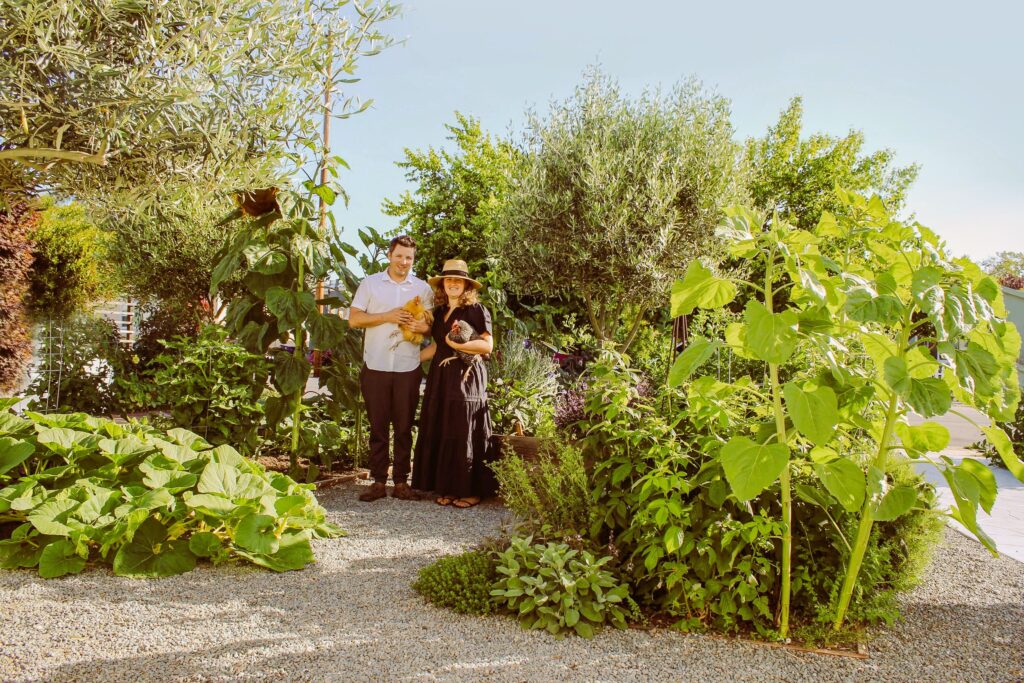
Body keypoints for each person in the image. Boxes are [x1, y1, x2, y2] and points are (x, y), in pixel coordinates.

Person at [348, 235, 434, 502]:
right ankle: (377, 481)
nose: (404, 262)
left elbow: (430, 327)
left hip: (408, 367)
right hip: (375, 364)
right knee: (378, 426)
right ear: (389, 256)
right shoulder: (370, 284)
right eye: (399, 256)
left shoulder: (422, 289)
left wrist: (423, 327)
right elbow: (354, 320)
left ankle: (400, 482)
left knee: (405, 426)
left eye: (409, 257)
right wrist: (388, 316)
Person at [412, 259, 498, 508]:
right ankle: (449, 487)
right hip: (441, 379)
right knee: (445, 429)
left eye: (458, 280)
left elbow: (486, 346)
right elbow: (437, 346)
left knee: (463, 430)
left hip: (466, 378)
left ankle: (471, 491)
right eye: (449, 279)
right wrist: (409, 362)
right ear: (443, 284)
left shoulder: (476, 310)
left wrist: (458, 345)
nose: (453, 283)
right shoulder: (440, 313)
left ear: (466, 285)